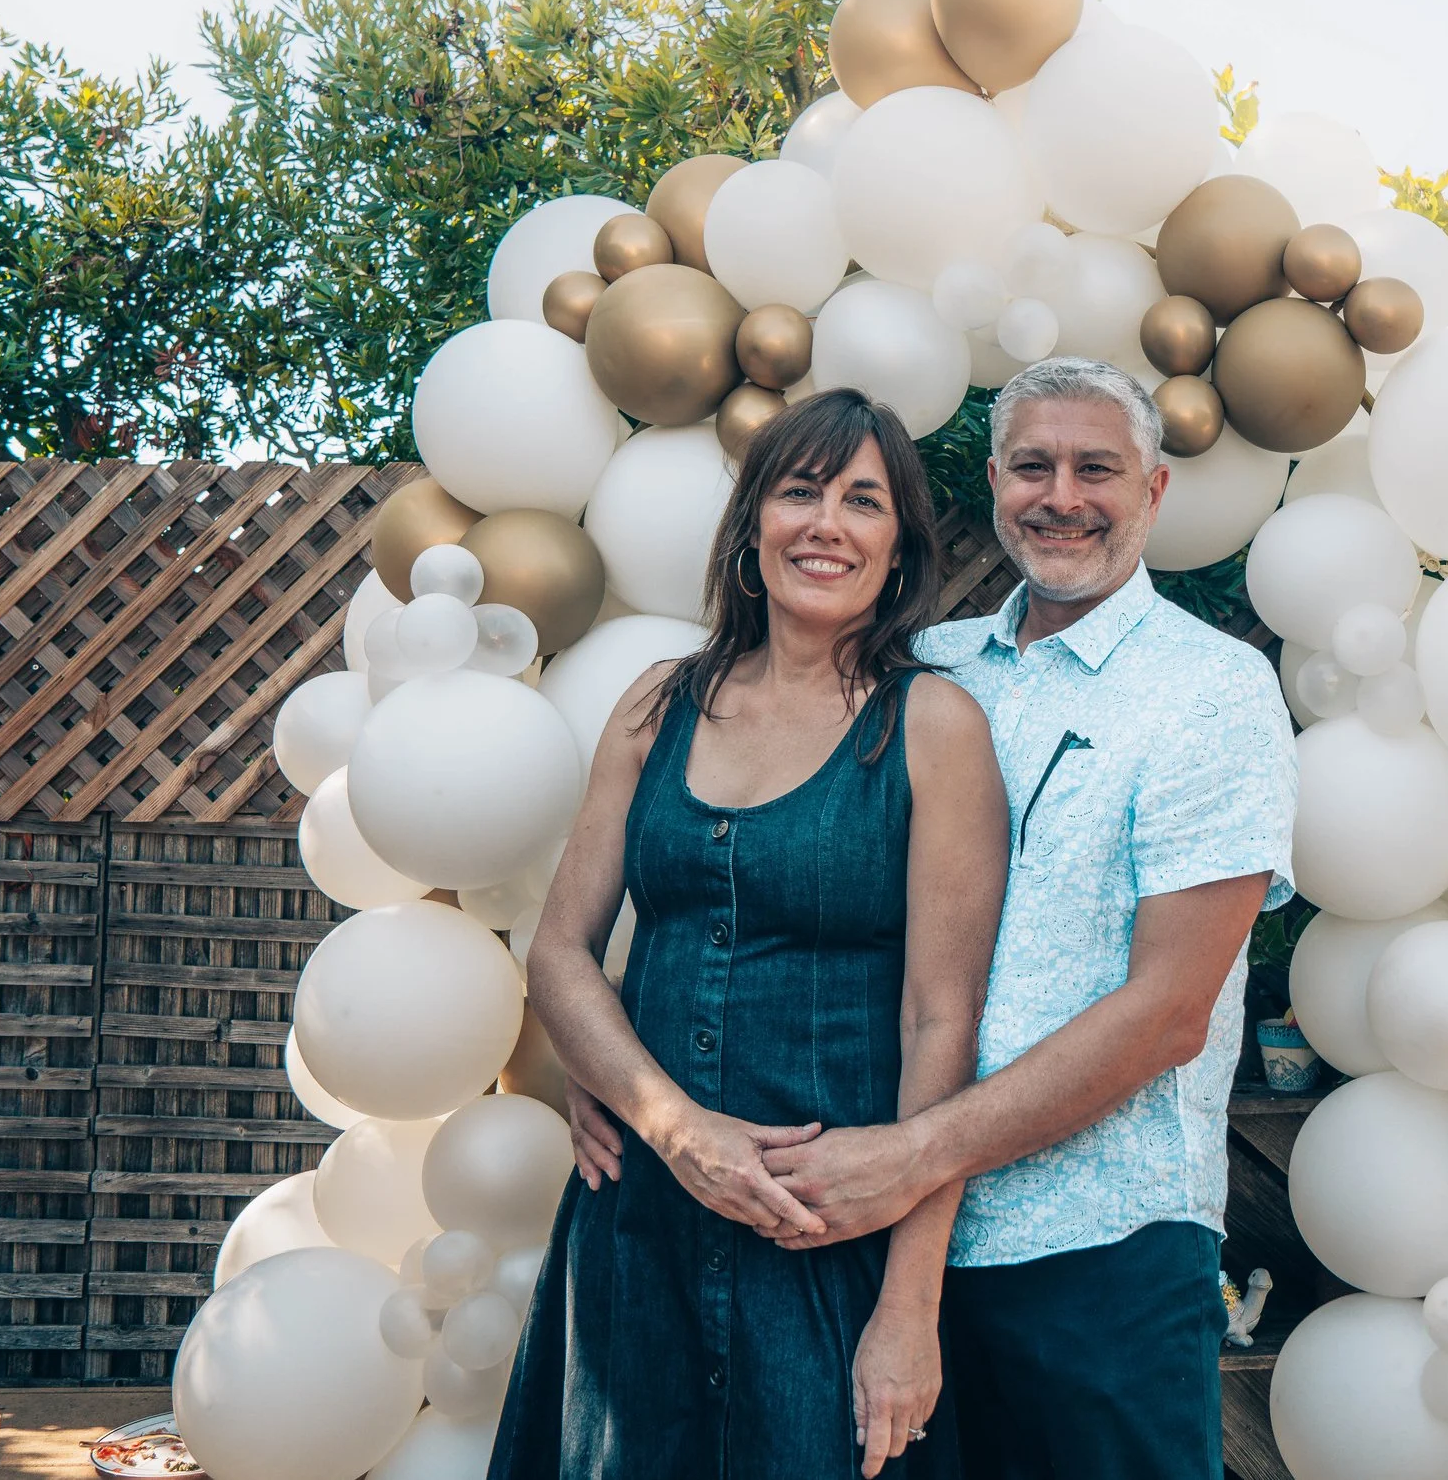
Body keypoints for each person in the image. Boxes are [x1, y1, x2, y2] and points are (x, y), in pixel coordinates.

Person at [763, 357, 1302, 1478]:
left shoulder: (1213, 690)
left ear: (1152, 492)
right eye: (1032, 466)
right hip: (873, 1248)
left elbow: (1166, 1011)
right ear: (997, 485)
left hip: (1101, 1247)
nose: (1062, 494)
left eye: (1096, 467)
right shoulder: (926, 669)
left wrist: (909, 1154)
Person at [489, 388, 1009, 1480]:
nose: (826, 522)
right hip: (640, 1228)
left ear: (900, 546)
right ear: (752, 527)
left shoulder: (934, 727)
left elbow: (940, 1020)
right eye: (800, 490)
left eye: (863, 499)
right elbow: (560, 952)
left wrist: (909, 1306)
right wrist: (671, 1125)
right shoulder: (652, 706)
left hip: (827, 1239)